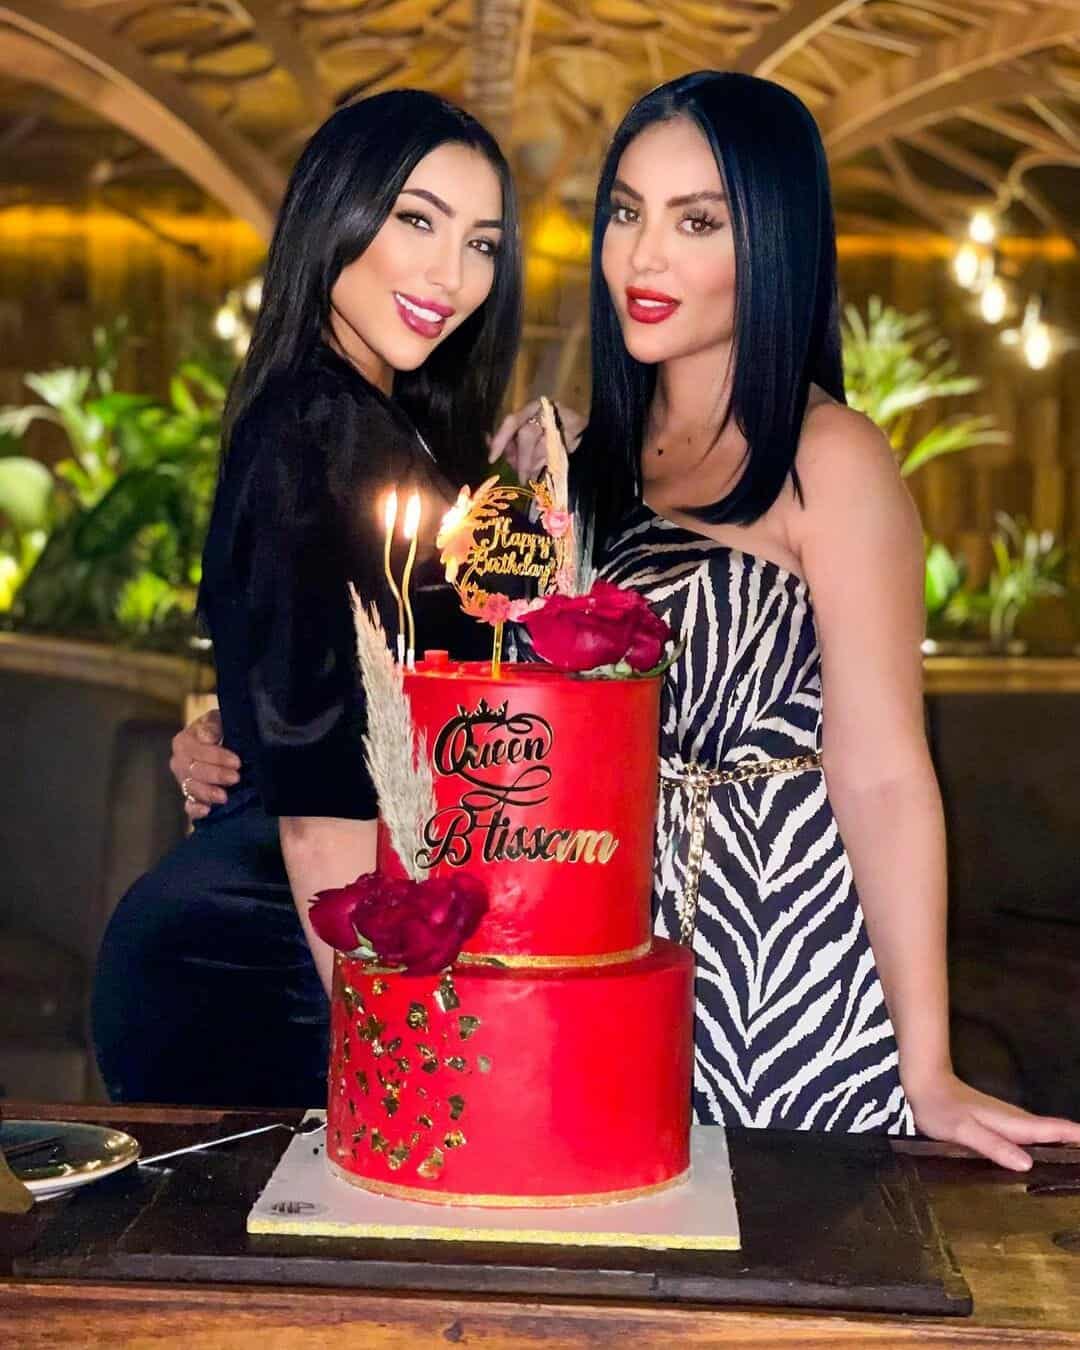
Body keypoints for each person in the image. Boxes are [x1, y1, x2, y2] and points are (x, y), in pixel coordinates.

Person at [173, 72, 1080, 1168]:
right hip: (579, 965)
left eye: (697, 222)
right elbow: (429, 686)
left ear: (776, 243)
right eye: (626, 212)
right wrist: (239, 733)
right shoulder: (569, 468)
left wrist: (927, 1066)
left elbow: (884, 774)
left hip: (778, 970)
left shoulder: (829, 459)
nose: (644, 258)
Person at [92, 89, 522, 1107]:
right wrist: (398, 1060)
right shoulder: (318, 431)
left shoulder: (383, 428)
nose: (450, 276)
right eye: (416, 219)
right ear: (337, 211)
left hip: (307, 935)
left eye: (481, 243)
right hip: (269, 967)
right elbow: (325, 799)